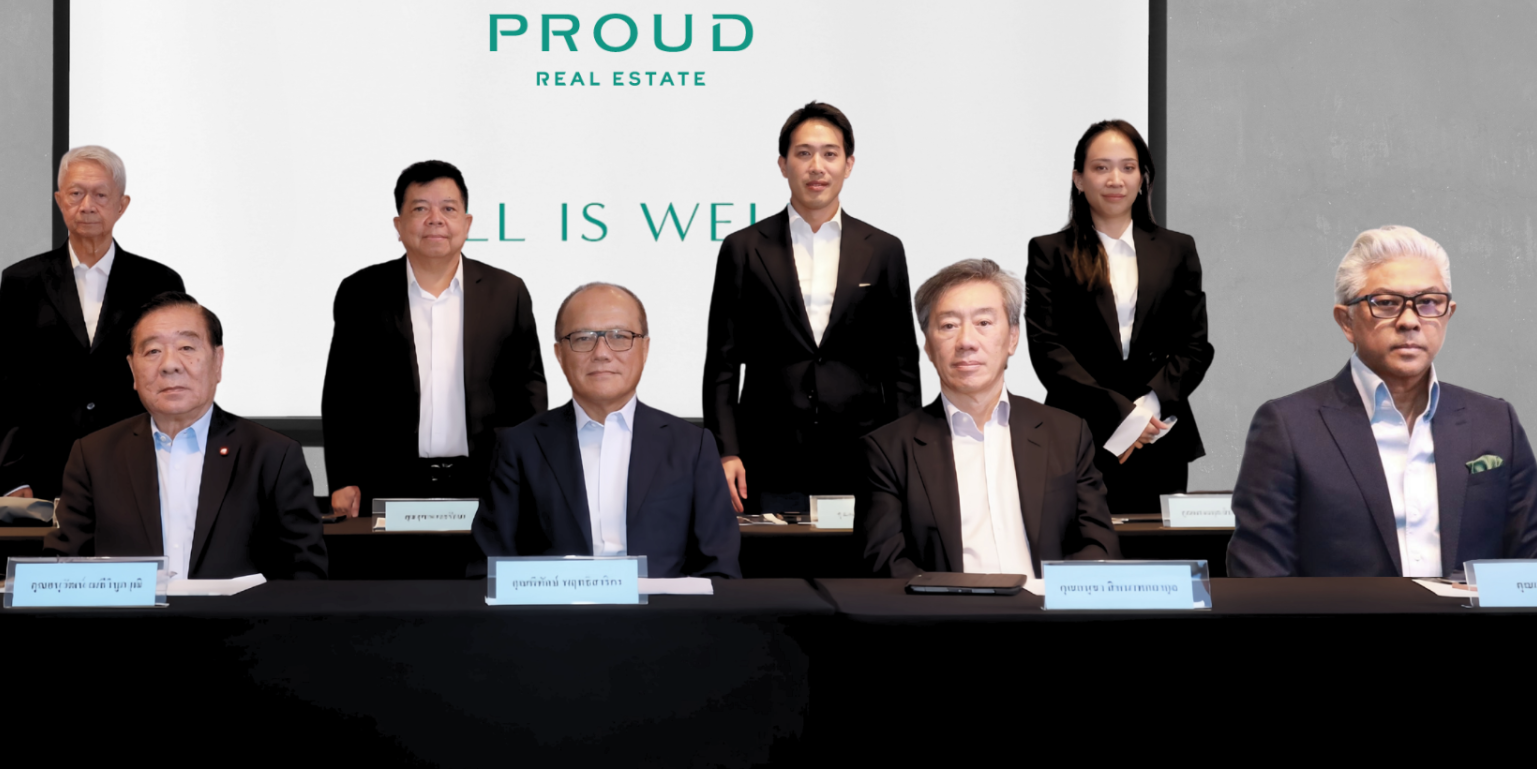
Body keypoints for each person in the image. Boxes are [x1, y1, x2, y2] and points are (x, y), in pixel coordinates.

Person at [1229, 225, 1537, 577]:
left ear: (1448, 313)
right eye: (1386, 303)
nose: (1410, 321)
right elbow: (1261, 580)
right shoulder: (1289, 427)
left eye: (1429, 302)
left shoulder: (1495, 422)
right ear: (1346, 321)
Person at [703, 102, 920, 515]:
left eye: (829, 154)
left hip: (863, 454)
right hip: (768, 455)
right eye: (803, 153)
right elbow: (722, 364)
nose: (816, 166)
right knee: (773, 556)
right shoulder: (743, 248)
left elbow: (902, 366)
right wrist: (726, 450)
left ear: (849, 164)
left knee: (861, 556)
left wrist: (904, 452)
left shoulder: (883, 249)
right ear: (783, 164)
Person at [858, 258, 1119, 577]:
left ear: (1012, 337)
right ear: (927, 345)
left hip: (1046, 606)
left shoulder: (1066, 434)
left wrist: (1049, 597)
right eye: (949, 326)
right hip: (947, 608)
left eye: (983, 322)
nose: (966, 342)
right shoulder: (887, 450)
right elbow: (885, 564)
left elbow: (1099, 546)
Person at [45, 292, 327, 580]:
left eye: (187, 347)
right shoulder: (94, 456)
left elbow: (305, 575)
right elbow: (61, 570)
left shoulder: (272, 455)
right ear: (132, 369)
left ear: (218, 361)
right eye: (153, 351)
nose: (170, 365)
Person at [321, 160, 546, 516]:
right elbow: (341, 395)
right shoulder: (361, 293)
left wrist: (530, 472)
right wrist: (343, 478)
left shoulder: (507, 292)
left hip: (488, 481)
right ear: (399, 225)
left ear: (467, 223)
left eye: (448, 209)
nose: (435, 219)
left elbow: (528, 390)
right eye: (420, 209)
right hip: (388, 483)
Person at [473, 282, 741, 579]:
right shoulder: (519, 446)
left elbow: (720, 569)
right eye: (583, 338)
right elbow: (490, 569)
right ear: (560, 354)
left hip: (662, 609)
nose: (601, 353)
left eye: (619, 336)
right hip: (555, 609)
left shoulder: (692, 446)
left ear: (645, 349)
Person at [1025, 120, 1214, 514]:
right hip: (1079, 430)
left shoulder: (1177, 249)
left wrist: (1146, 411)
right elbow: (1048, 349)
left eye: (1128, 167)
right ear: (1079, 179)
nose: (1115, 179)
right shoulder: (1049, 252)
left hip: (1157, 434)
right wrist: (1120, 413)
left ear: (1142, 178)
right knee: (1079, 541)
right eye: (1101, 167)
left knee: (1156, 545)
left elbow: (1195, 345)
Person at [0, 144, 186, 499]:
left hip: (139, 465)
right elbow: (8, 386)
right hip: (46, 471)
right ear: (59, 200)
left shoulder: (159, 283)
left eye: (100, 195)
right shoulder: (23, 281)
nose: (87, 206)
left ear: (121, 205)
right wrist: (12, 477)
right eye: (76, 194)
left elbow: (174, 379)